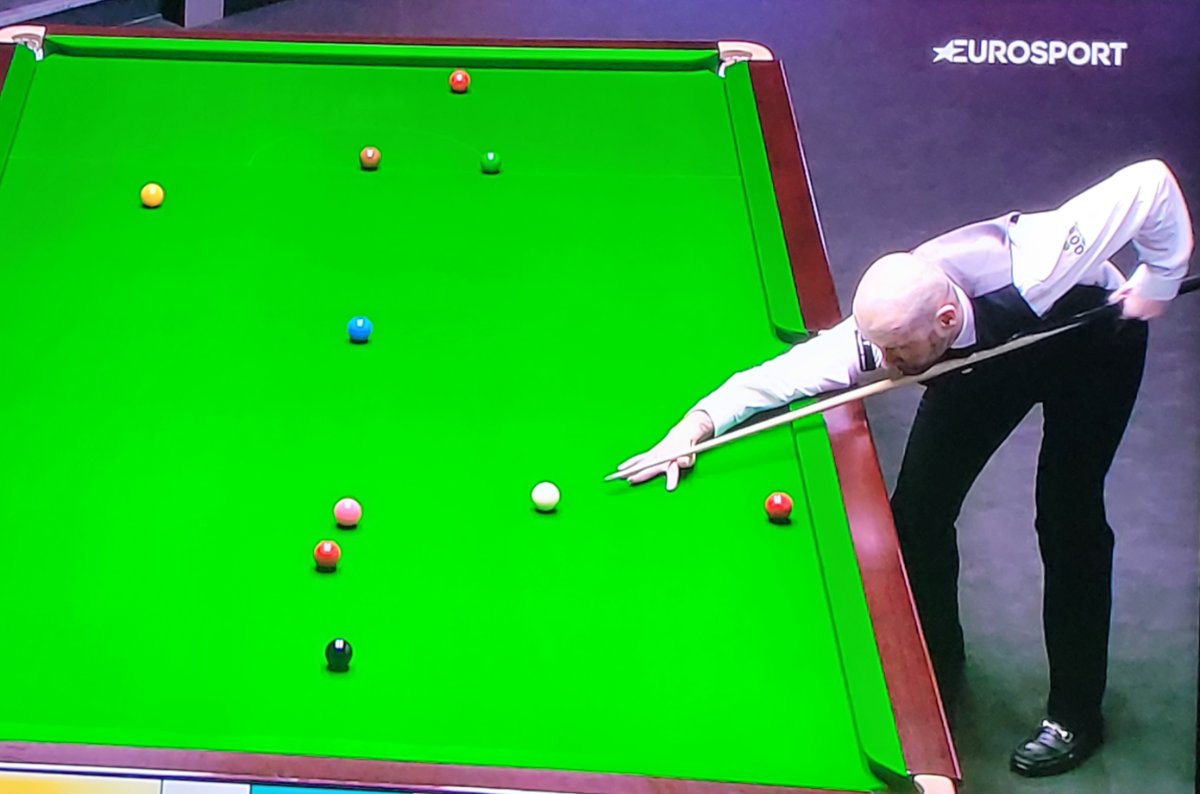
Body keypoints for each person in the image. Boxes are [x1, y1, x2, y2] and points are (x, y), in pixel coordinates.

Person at [614, 159, 1194, 777]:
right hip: (978, 363)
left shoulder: (1042, 261)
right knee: (917, 513)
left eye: (896, 352)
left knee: (1068, 515)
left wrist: (1159, 280)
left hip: (1091, 340)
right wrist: (693, 428)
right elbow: (776, 381)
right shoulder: (893, 336)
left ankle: (1075, 714)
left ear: (943, 322)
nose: (883, 362)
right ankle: (932, 664)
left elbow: (1151, 184)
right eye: (878, 347)